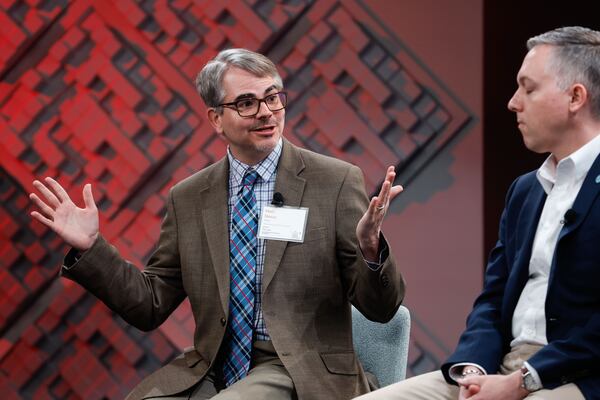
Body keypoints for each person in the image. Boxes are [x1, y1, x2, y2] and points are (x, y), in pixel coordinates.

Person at [29, 48, 405, 400]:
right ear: (216, 119)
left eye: (273, 98)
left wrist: (371, 250)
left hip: (299, 369)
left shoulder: (334, 181)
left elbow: (381, 309)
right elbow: (150, 304)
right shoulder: (189, 197)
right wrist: (91, 247)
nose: (266, 112)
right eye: (247, 103)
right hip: (214, 367)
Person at [355, 26, 600, 400]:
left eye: (528, 89)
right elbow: (493, 299)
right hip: (500, 367)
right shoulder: (526, 190)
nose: (513, 103)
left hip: (576, 376)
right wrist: (473, 370)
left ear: (575, 97)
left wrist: (522, 381)